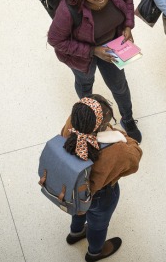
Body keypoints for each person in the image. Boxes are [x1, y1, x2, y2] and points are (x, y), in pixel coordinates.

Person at [48, 0, 142, 142]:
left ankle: (128, 119)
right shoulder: (68, 9)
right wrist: (93, 51)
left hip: (111, 48)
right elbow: (55, 39)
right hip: (81, 56)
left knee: (119, 85)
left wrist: (128, 25)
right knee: (85, 84)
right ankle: (90, 120)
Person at [62, 95, 142, 261]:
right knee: (98, 225)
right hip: (100, 195)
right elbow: (134, 160)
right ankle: (94, 252)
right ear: (103, 125)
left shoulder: (72, 122)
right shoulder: (117, 149)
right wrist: (120, 135)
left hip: (73, 186)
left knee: (78, 209)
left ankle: (75, 232)